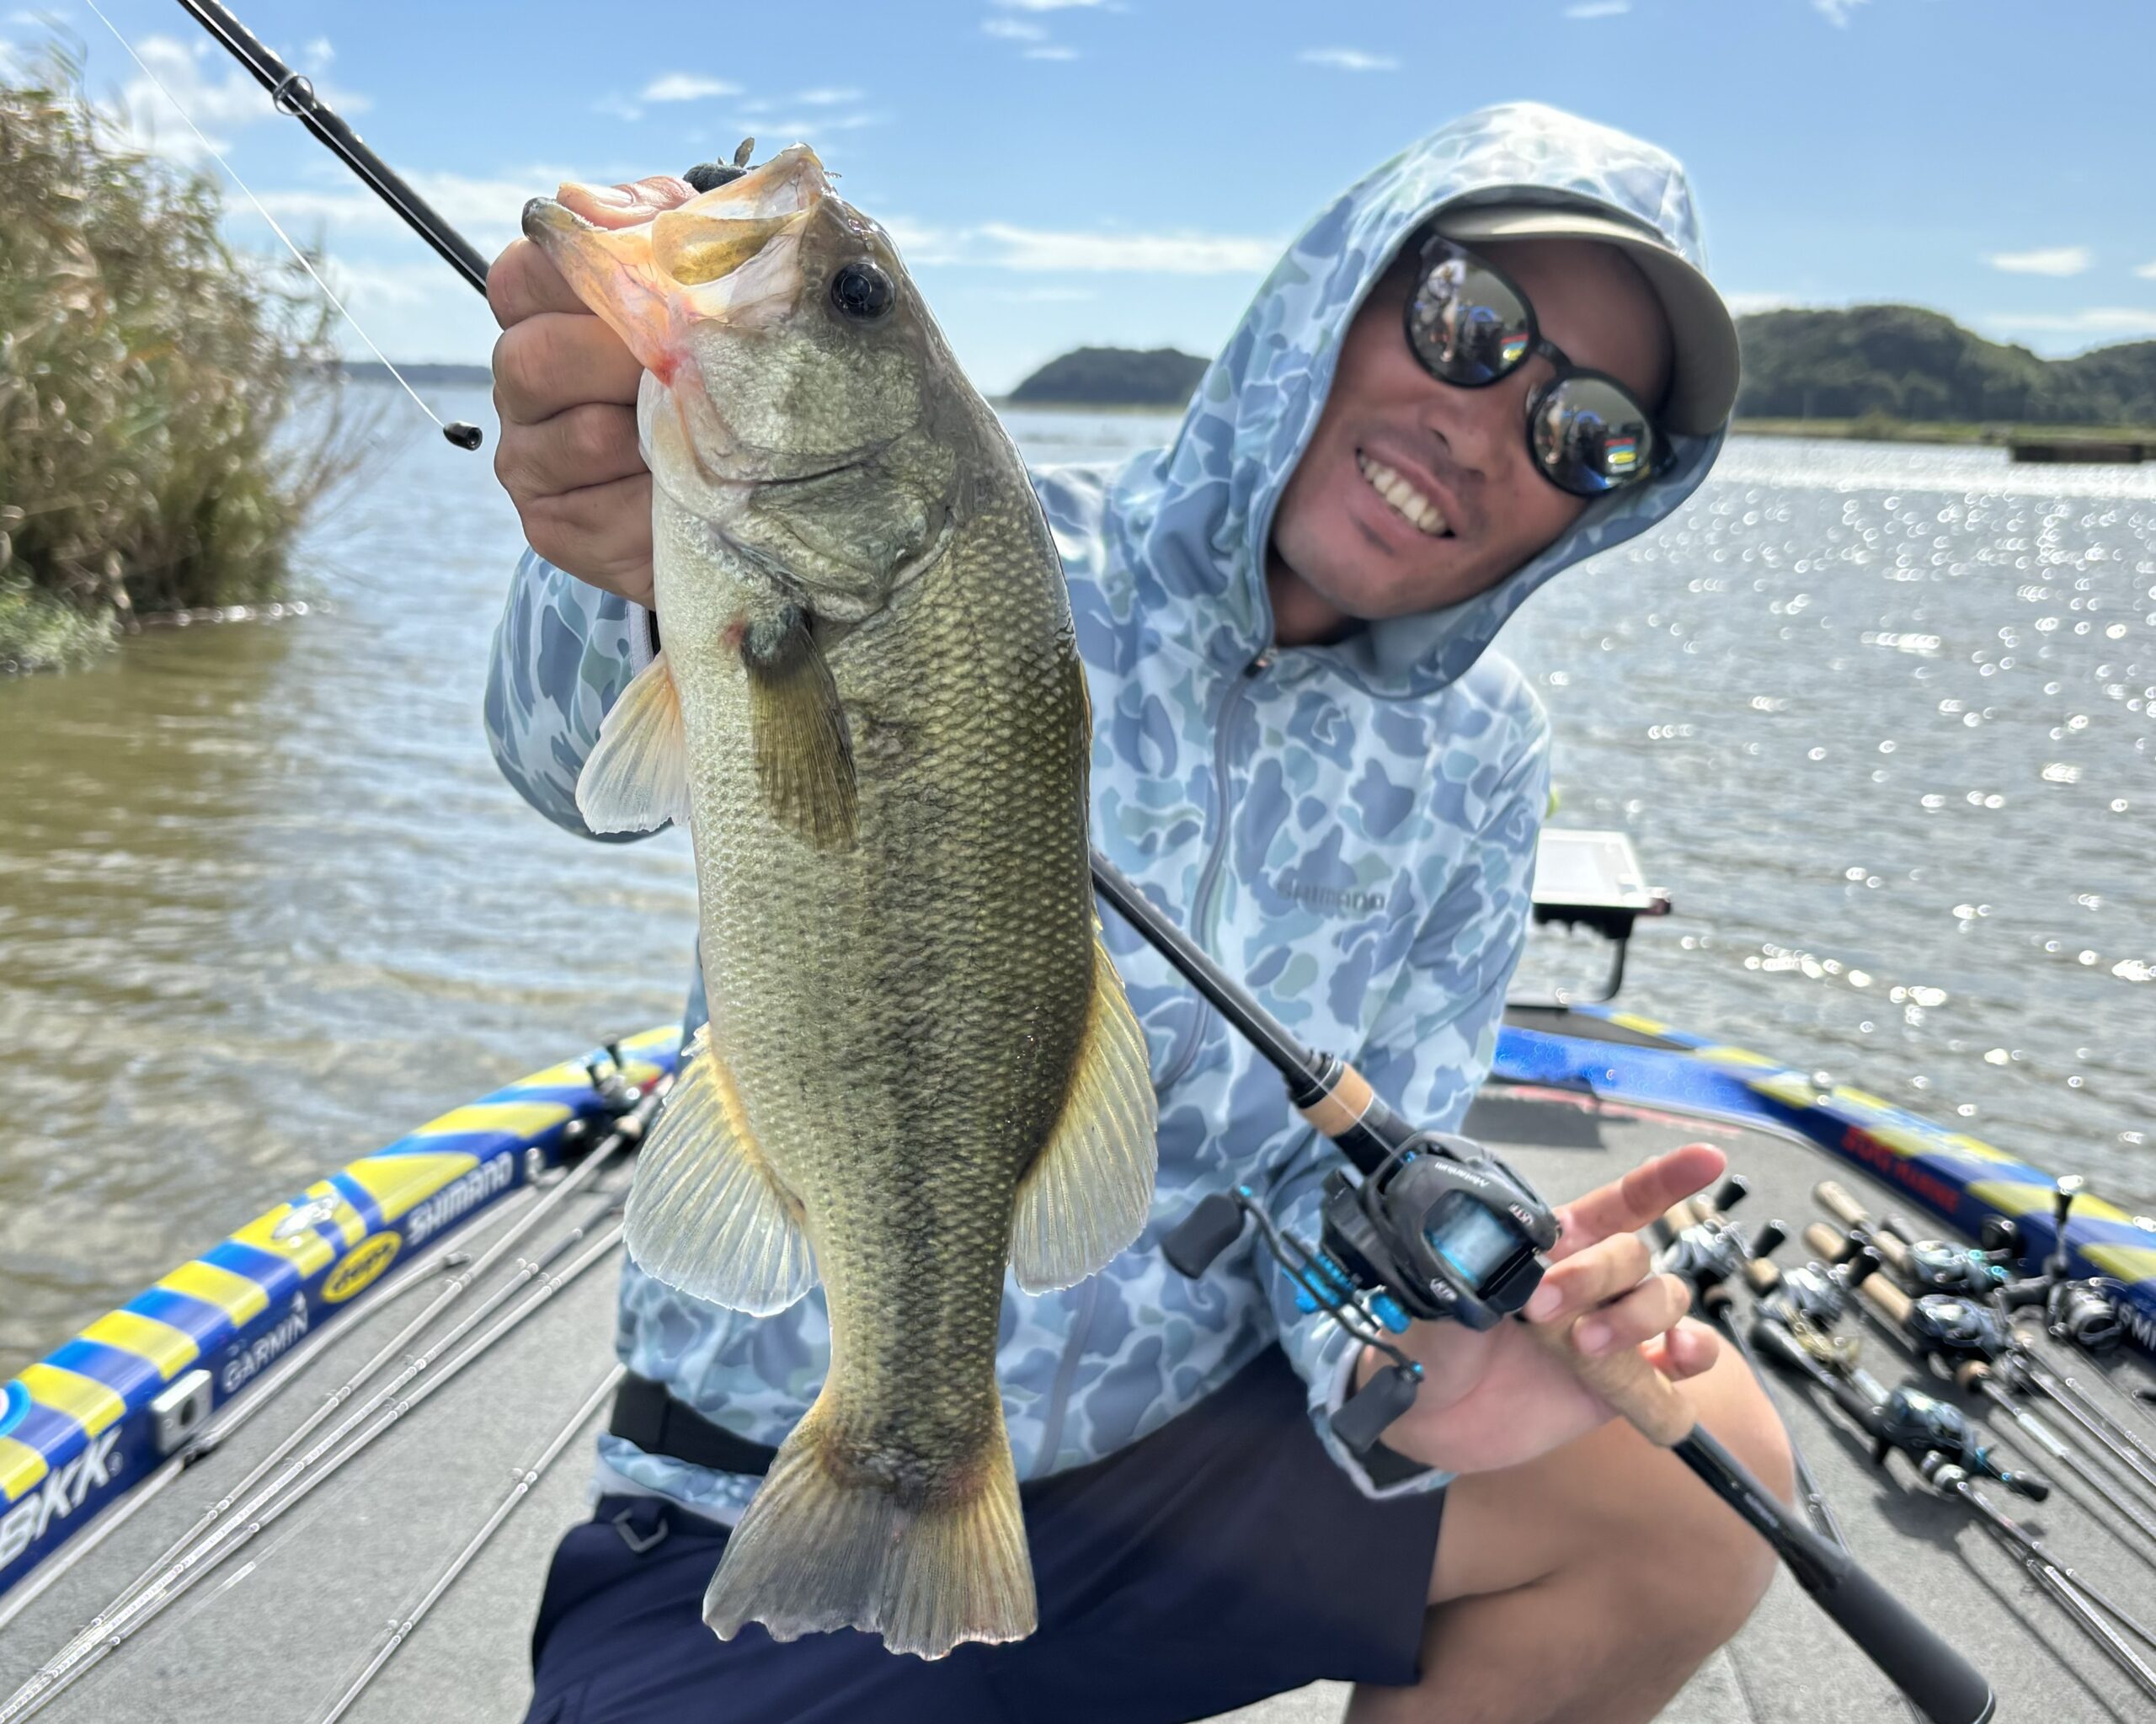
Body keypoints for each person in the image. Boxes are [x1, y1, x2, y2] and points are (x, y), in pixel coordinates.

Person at [483, 100, 1792, 1724]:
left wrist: (1420, 1366)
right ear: (1343, 290)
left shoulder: (1483, 753)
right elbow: (563, 759)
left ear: (1609, 503)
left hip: (1182, 1475)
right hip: (752, 1481)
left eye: (1588, 433)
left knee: (1706, 1464)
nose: (1483, 431)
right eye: (1472, 325)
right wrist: (604, 542)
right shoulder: (986, 538)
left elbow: (1341, 1189)